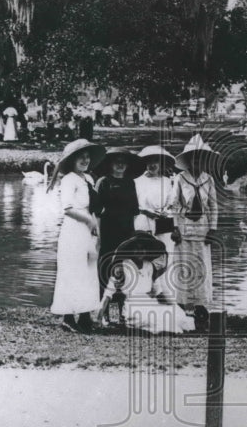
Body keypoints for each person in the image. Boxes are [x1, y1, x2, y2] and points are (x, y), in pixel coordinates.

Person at [47, 139, 107, 333]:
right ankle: (68, 317)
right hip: (74, 229)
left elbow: (95, 207)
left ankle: (84, 315)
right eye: (81, 157)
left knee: (88, 272)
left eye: (87, 157)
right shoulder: (69, 180)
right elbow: (68, 208)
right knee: (73, 272)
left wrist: (96, 228)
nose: (85, 161)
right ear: (72, 160)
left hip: (89, 231)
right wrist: (89, 221)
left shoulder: (88, 179)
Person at [97, 233, 197, 334]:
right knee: (155, 319)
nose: (140, 251)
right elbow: (108, 294)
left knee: (177, 315)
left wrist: (174, 306)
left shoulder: (150, 266)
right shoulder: (122, 267)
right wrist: (99, 317)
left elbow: (158, 293)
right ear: (131, 250)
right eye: (137, 248)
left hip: (150, 303)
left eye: (143, 248)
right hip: (133, 307)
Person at [170, 135, 219, 318]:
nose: (197, 161)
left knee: (202, 265)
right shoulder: (180, 178)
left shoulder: (208, 179)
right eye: (194, 158)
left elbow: (213, 206)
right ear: (188, 160)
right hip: (184, 227)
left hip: (203, 228)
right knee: (184, 265)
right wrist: (175, 225)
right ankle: (183, 304)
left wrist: (213, 229)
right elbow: (173, 204)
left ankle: (200, 305)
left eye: (200, 158)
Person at [94, 147, 143, 295]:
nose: (120, 165)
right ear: (110, 164)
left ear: (127, 165)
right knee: (105, 266)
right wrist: (98, 237)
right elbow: (96, 212)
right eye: (116, 162)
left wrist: (132, 235)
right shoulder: (103, 182)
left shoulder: (130, 183)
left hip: (126, 230)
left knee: (124, 267)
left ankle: (121, 304)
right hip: (107, 230)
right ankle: (103, 304)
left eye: (123, 162)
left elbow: (134, 211)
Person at [133, 145, 177, 298]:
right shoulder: (137, 181)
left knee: (164, 255)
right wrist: (147, 212)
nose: (152, 165)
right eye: (149, 161)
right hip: (144, 221)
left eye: (156, 161)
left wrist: (166, 209)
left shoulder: (166, 181)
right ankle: (145, 290)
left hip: (163, 222)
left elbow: (172, 201)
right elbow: (134, 204)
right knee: (145, 255)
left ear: (160, 163)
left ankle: (164, 292)